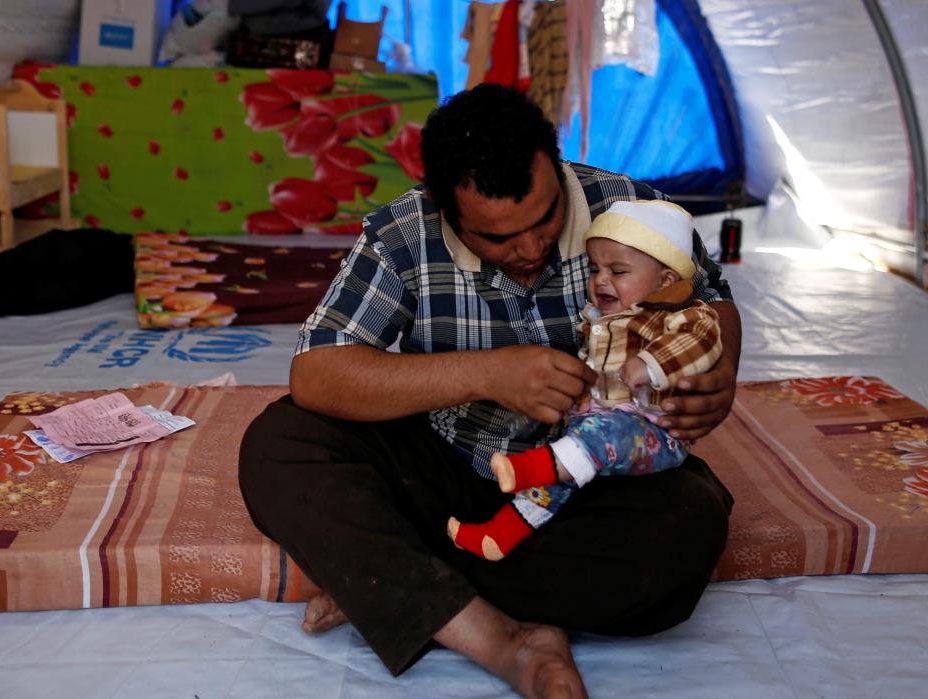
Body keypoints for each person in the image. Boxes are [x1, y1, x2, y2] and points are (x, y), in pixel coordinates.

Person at [238, 84, 741, 699]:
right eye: (497, 239)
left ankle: (396, 579)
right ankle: (502, 640)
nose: (530, 250)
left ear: (558, 171)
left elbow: (713, 302)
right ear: (443, 209)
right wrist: (485, 373)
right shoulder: (404, 232)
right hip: (446, 466)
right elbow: (317, 371)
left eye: (544, 220)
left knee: (685, 535)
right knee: (279, 446)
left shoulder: (631, 210)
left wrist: (717, 378)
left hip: (592, 481)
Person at [447, 199, 722, 561]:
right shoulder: (601, 321)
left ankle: (526, 468)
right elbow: (597, 373)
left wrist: (651, 364)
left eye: (618, 271)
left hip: (654, 434)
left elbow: (702, 340)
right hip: (596, 428)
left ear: (665, 280)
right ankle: (498, 535)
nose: (601, 280)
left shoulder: (680, 315)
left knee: (594, 442)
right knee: (555, 481)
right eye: (595, 269)